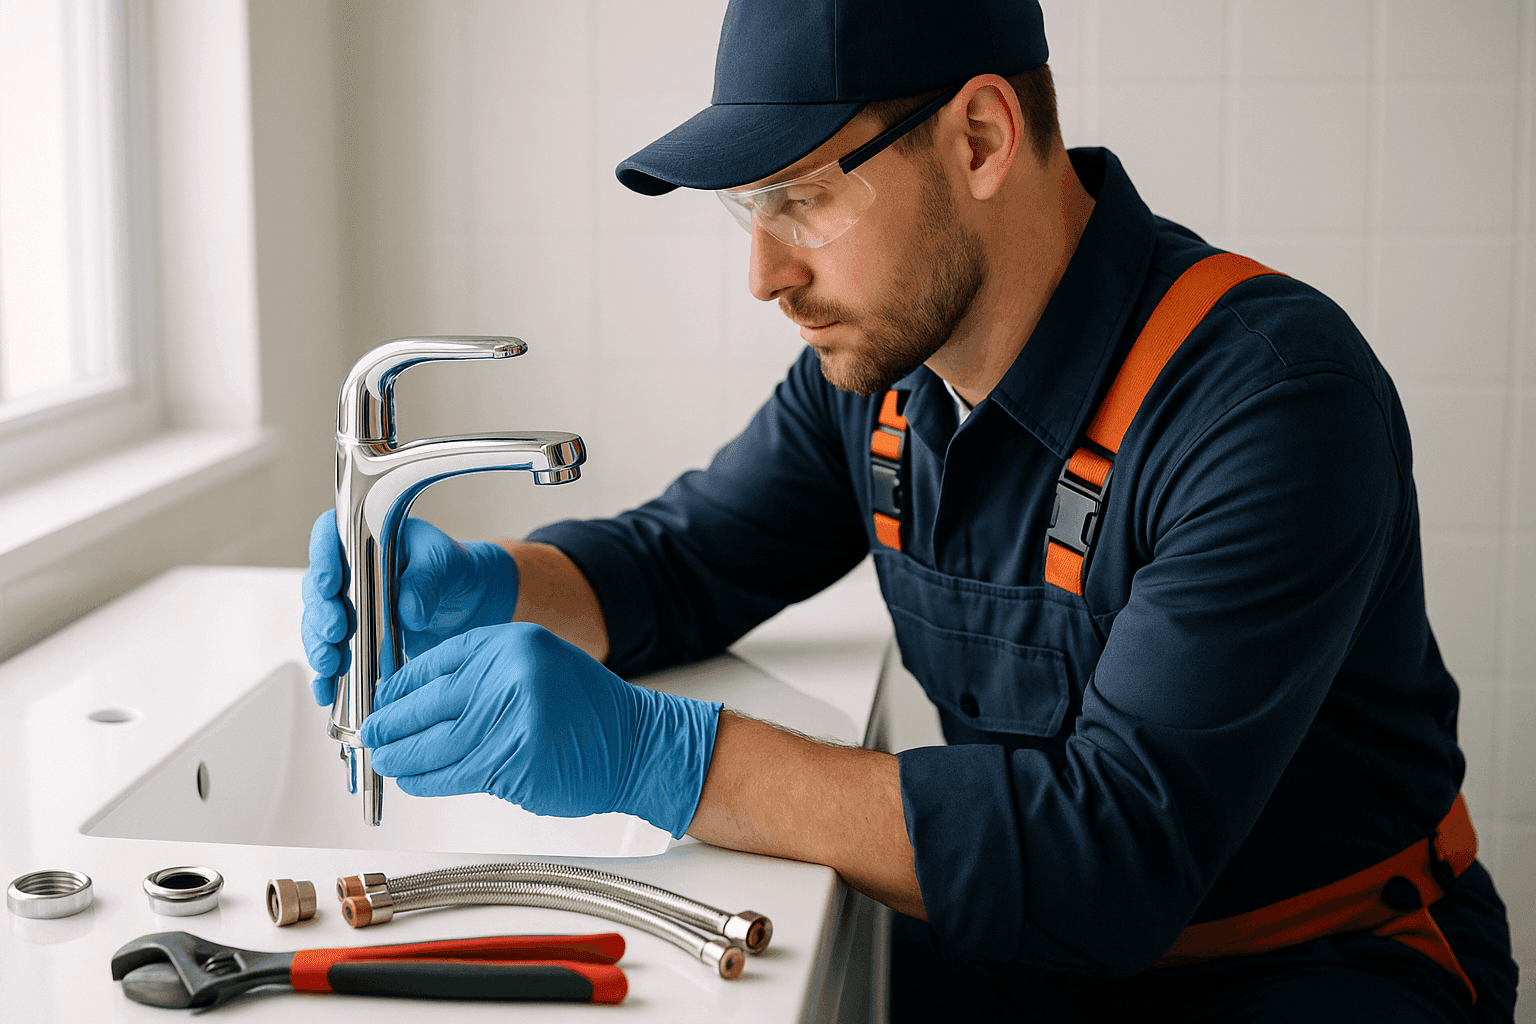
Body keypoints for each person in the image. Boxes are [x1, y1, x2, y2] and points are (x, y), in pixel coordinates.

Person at [301, 0, 1519, 1019]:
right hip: (1038, 943)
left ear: (982, 136)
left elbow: (1115, 854)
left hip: (1317, 966)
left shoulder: (1267, 402)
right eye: (750, 208)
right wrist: (486, 584)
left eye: (802, 197)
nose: (766, 276)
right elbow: (685, 563)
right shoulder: (886, 378)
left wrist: (659, 755)